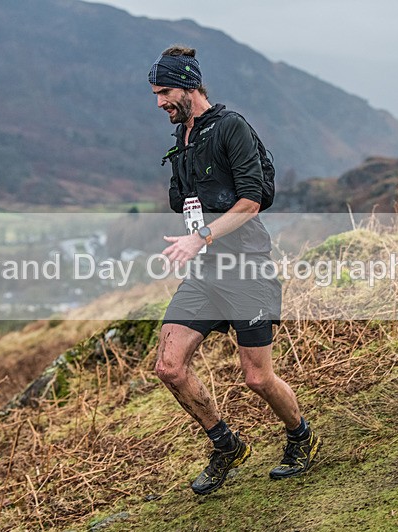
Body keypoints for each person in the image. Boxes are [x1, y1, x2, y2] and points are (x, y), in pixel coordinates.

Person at [148, 45, 320, 495]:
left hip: (247, 269)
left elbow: (251, 200)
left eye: (164, 91)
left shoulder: (231, 128)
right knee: (169, 366)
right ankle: (226, 445)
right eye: (155, 93)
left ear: (188, 86)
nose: (159, 102)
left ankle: (301, 437)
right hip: (205, 275)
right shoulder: (183, 139)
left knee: (257, 377)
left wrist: (200, 236)